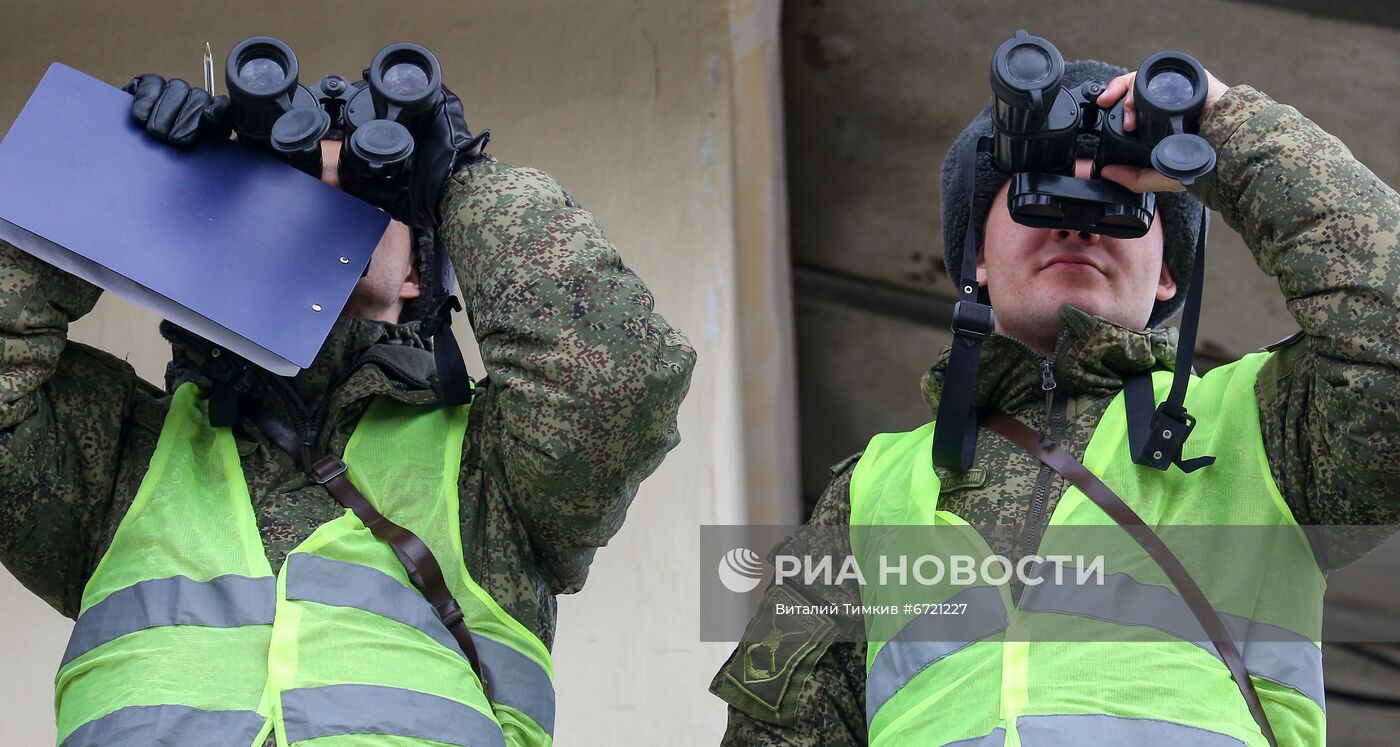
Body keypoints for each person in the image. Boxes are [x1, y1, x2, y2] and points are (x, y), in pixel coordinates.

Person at [711, 56, 1400, 746]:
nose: (1078, 222)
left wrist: (1227, 129)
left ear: (1168, 273)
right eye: (1037, 189)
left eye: (1121, 195)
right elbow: (775, 734)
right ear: (976, 255)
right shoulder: (872, 490)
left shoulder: (1264, 426)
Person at [0, 67, 695, 746]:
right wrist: (121, 170)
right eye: (285, 183)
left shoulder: (487, 474)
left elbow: (616, 378)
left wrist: (459, 180)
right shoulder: (118, 457)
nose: (318, 204)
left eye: (366, 194)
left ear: (418, 268)